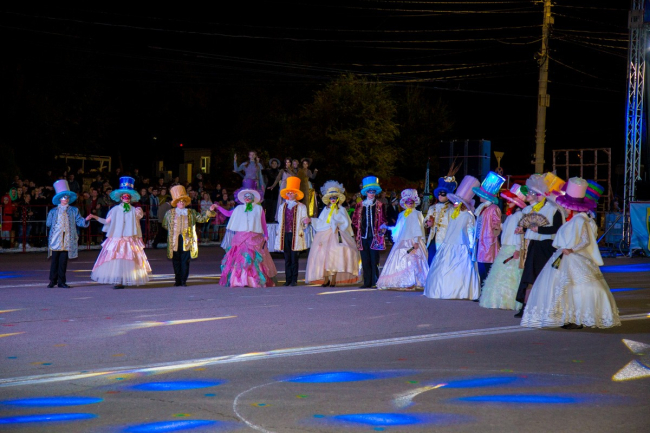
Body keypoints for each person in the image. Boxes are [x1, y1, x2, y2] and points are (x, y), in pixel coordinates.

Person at [521, 178, 621, 329]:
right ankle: (567, 317)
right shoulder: (574, 220)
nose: (564, 208)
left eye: (566, 206)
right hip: (563, 256)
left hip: (572, 257)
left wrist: (571, 249)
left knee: (574, 288)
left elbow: (585, 241)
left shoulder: (581, 220)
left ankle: (576, 318)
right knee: (563, 288)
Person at [513, 174, 566, 318]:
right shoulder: (533, 209)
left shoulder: (554, 209)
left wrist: (539, 229)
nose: (531, 195)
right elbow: (529, 227)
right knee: (529, 277)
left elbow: (557, 228)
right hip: (533, 246)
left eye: (534, 192)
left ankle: (544, 307)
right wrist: (523, 230)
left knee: (544, 278)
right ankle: (526, 307)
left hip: (547, 247)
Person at [87, 177, 152, 289]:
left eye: (128, 196)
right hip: (117, 238)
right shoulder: (115, 209)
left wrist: (140, 237)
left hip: (129, 238)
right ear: (121, 198)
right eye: (124, 196)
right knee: (117, 258)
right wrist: (94, 216)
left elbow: (137, 225)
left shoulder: (135, 210)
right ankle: (118, 280)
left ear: (131, 198)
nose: (126, 198)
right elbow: (107, 221)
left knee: (129, 257)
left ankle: (126, 278)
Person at [424, 176, 481, 300]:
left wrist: (471, 247)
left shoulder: (467, 215)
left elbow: (470, 232)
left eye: (457, 202)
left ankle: (458, 291)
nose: (455, 203)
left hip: (460, 245)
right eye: (455, 201)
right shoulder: (454, 213)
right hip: (447, 243)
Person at [215, 185, 277, 287]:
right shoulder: (239, 208)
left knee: (254, 258)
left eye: (249, 196)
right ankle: (241, 280)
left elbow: (263, 222)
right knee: (241, 257)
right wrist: (218, 207)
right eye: (245, 196)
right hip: (241, 237)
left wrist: (266, 234)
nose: (247, 198)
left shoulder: (258, 209)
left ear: (253, 198)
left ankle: (253, 280)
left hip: (254, 236)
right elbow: (228, 213)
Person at [479, 184, 527, 310]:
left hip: (512, 248)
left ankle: (509, 301)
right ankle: (498, 300)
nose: (507, 202)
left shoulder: (518, 216)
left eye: (510, 201)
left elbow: (519, 234)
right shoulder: (511, 216)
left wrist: (518, 249)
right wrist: (498, 226)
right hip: (506, 248)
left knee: (510, 276)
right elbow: (506, 229)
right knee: (499, 275)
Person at [304, 181, 361, 287]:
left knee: (336, 255)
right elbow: (321, 221)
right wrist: (312, 220)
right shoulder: (326, 210)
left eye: (335, 197)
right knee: (323, 256)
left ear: (338, 198)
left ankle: (333, 278)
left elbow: (346, 222)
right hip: (324, 234)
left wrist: (337, 224)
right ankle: (326, 278)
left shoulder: (342, 209)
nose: (333, 199)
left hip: (337, 234)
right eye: (331, 198)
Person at [162, 186, 216, 287]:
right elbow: (165, 224)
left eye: (183, 201)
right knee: (176, 261)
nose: (181, 202)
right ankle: (177, 280)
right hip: (174, 241)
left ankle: (183, 280)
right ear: (176, 203)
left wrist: (210, 210)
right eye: (179, 201)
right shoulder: (169, 213)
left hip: (186, 240)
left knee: (185, 261)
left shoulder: (191, 213)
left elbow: (202, 219)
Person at [376, 189, 429, 290]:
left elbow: (418, 228)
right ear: (404, 203)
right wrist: (387, 227)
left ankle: (412, 282)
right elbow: (398, 228)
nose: (409, 204)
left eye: (411, 202)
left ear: (414, 202)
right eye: (407, 202)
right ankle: (403, 281)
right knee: (401, 259)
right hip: (402, 240)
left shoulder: (417, 213)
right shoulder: (402, 214)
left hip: (413, 240)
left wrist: (416, 241)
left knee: (412, 260)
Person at [46, 180, 90, 288]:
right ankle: (52, 280)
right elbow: (48, 223)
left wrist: (86, 220)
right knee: (54, 261)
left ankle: (61, 281)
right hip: (56, 238)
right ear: (59, 199)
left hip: (67, 239)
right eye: (63, 197)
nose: (66, 199)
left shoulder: (74, 210)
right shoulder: (53, 211)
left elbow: (79, 221)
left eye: (67, 197)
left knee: (63, 261)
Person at [471, 171, 506, 288]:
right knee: (481, 268)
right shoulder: (483, 208)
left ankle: (487, 291)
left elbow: (497, 224)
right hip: (480, 243)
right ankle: (482, 290)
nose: (479, 196)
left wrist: (491, 239)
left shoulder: (493, 208)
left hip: (488, 244)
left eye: (481, 194)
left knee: (487, 269)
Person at [351, 176, 387, 288]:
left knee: (374, 259)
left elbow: (383, 220)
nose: (372, 194)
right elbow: (354, 220)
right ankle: (366, 282)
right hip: (363, 236)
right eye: (370, 191)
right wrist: (357, 231)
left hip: (375, 237)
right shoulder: (359, 205)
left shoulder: (380, 205)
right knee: (365, 260)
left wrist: (382, 228)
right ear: (366, 192)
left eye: (373, 191)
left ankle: (374, 282)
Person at [275, 176, 309, 286]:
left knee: (294, 258)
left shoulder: (301, 207)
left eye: (292, 193)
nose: (290, 194)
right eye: (288, 193)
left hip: (295, 235)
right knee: (287, 258)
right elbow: (280, 220)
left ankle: (294, 279)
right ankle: (287, 279)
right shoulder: (282, 206)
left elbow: (303, 219)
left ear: (296, 194)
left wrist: (305, 221)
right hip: (285, 234)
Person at [425, 168, 459, 266]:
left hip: (445, 240)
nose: (440, 195)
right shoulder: (432, 208)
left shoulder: (452, 209)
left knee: (442, 263)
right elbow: (425, 222)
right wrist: (428, 223)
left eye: (443, 193)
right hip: (432, 239)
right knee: (430, 261)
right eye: (439, 193)